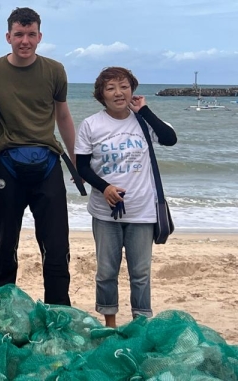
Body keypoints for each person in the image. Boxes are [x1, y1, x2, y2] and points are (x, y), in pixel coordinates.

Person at [0, 7, 77, 306]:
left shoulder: (54, 70)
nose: (25, 41)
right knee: (6, 244)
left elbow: (64, 116)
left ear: (40, 36)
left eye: (31, 34)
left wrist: (78, 161)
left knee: (56, 246)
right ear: (8, 36)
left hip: (48, 164)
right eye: (19, 34)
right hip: (8, 165)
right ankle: (3, 308)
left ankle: (59, 311)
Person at [75, 67, 177, 327]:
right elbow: (83, 166)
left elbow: (169, 139)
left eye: (124, 86)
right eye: (111, 88)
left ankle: (140, 323)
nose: (118, 93)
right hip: (104, 212)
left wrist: (143, 111)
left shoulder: (142, 120)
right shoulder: (91, 124)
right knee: (106, 272)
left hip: (142, 211)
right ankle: (110, 323)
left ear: (133, 89)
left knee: (140, 273)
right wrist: (104, 187)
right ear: (101, 95)